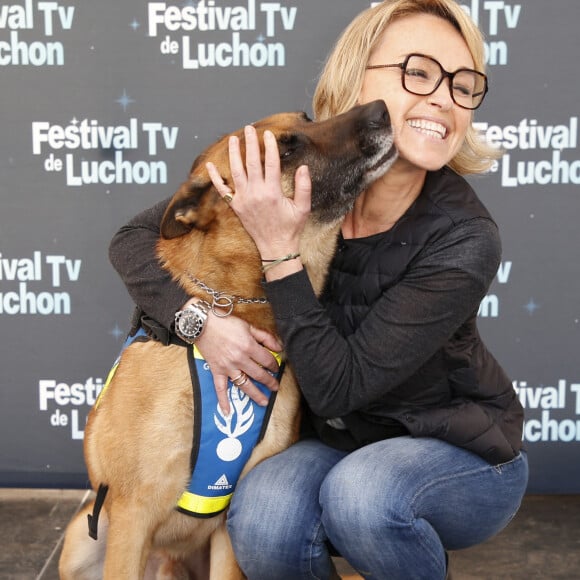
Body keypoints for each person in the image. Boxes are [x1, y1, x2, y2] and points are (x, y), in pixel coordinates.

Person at [109, 1, 529, 578]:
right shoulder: (305, 157)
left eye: (463, 84)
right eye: (419, 72)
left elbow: (339, 388)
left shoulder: (465, 237)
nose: (442, 98)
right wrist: (199, 322)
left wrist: (280, 249)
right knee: (261, 511)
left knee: (363, 497)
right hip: (342, 441)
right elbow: (136, 238)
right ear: (357, 77)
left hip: (460, 453)